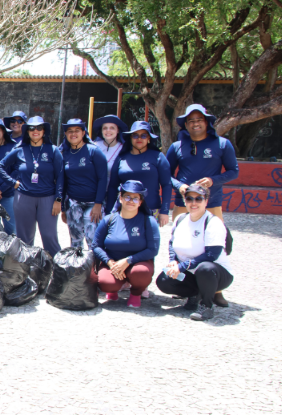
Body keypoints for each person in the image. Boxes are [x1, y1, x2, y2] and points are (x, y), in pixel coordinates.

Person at [156, 184, 234, 321]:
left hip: (215, 274)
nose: (194, 202)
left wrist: (181, 266)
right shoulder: (180, 219)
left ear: (206, 201)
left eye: (199, 199)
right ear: (184, 201)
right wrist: (173, 261)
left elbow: (212, 255)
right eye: (189, 198)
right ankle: (194, 295)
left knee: (205, 268)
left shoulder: (213, 222)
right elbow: (172, 243)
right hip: (190, 272)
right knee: (164, 280)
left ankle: (206, 306)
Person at [0, 116, 64, 256]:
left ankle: (57, 269)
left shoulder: (53, 150)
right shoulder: (20, 150)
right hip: (24, 198)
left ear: (44, 131)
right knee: (25, 238)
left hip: (48, 199)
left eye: (39, 128)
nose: (35, 131)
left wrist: (58, 199)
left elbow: (61, 176)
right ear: (27, 131)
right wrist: (13, 182)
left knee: (49, 236)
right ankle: (25, 271)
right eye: (31, 128)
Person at [92, 180, 161, 308]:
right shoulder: (109, 219)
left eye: (135, 198)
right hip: (112, 263)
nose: (130, 201)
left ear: (140, 202)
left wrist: (128, 261)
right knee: (106, 282)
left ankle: (136, 293)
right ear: (120, 198)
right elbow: (96, 246)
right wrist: (109, 262)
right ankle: (113, 289)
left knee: (141, 273)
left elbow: (153, 250)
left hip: (138, 263)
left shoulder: (149, 221)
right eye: (127, 196)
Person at [167, 104, 239, 221]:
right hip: (183, 204)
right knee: (181, 239)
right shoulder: (176, 147)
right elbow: (165, 174)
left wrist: (212, 180)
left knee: (213, 238)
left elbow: (234, 171)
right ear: (186, 124)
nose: (195, 124)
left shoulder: (223, 144)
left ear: (206, 122)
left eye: (199, 120)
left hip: (212, 204)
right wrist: (179, 186)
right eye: (191, 121)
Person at [106, 121, 172, 227]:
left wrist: (164, 211)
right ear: (130, 138)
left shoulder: (158, 157)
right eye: (135, 135)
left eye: (144, 135)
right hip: (124, 211)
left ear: (149, 138)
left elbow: (166, 184)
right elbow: (113, 186)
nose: (139, 138)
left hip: (151, 210)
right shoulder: (121, 158)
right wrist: (109, 211)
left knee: (149, 242)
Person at [59, 118, 108, 249]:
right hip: (73, 203)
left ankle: (94, 269)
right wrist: (64, 208)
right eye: (69, 131)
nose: (73, 134)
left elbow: (103, 179)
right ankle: (78, 268)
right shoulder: (64, 153)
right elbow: (63, 182)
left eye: (77, 131)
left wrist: (98, 204)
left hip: (93, 203)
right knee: (75, 240)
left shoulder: (94, 151)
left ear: (83, 133)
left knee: (93, 240)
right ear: (65, 134)